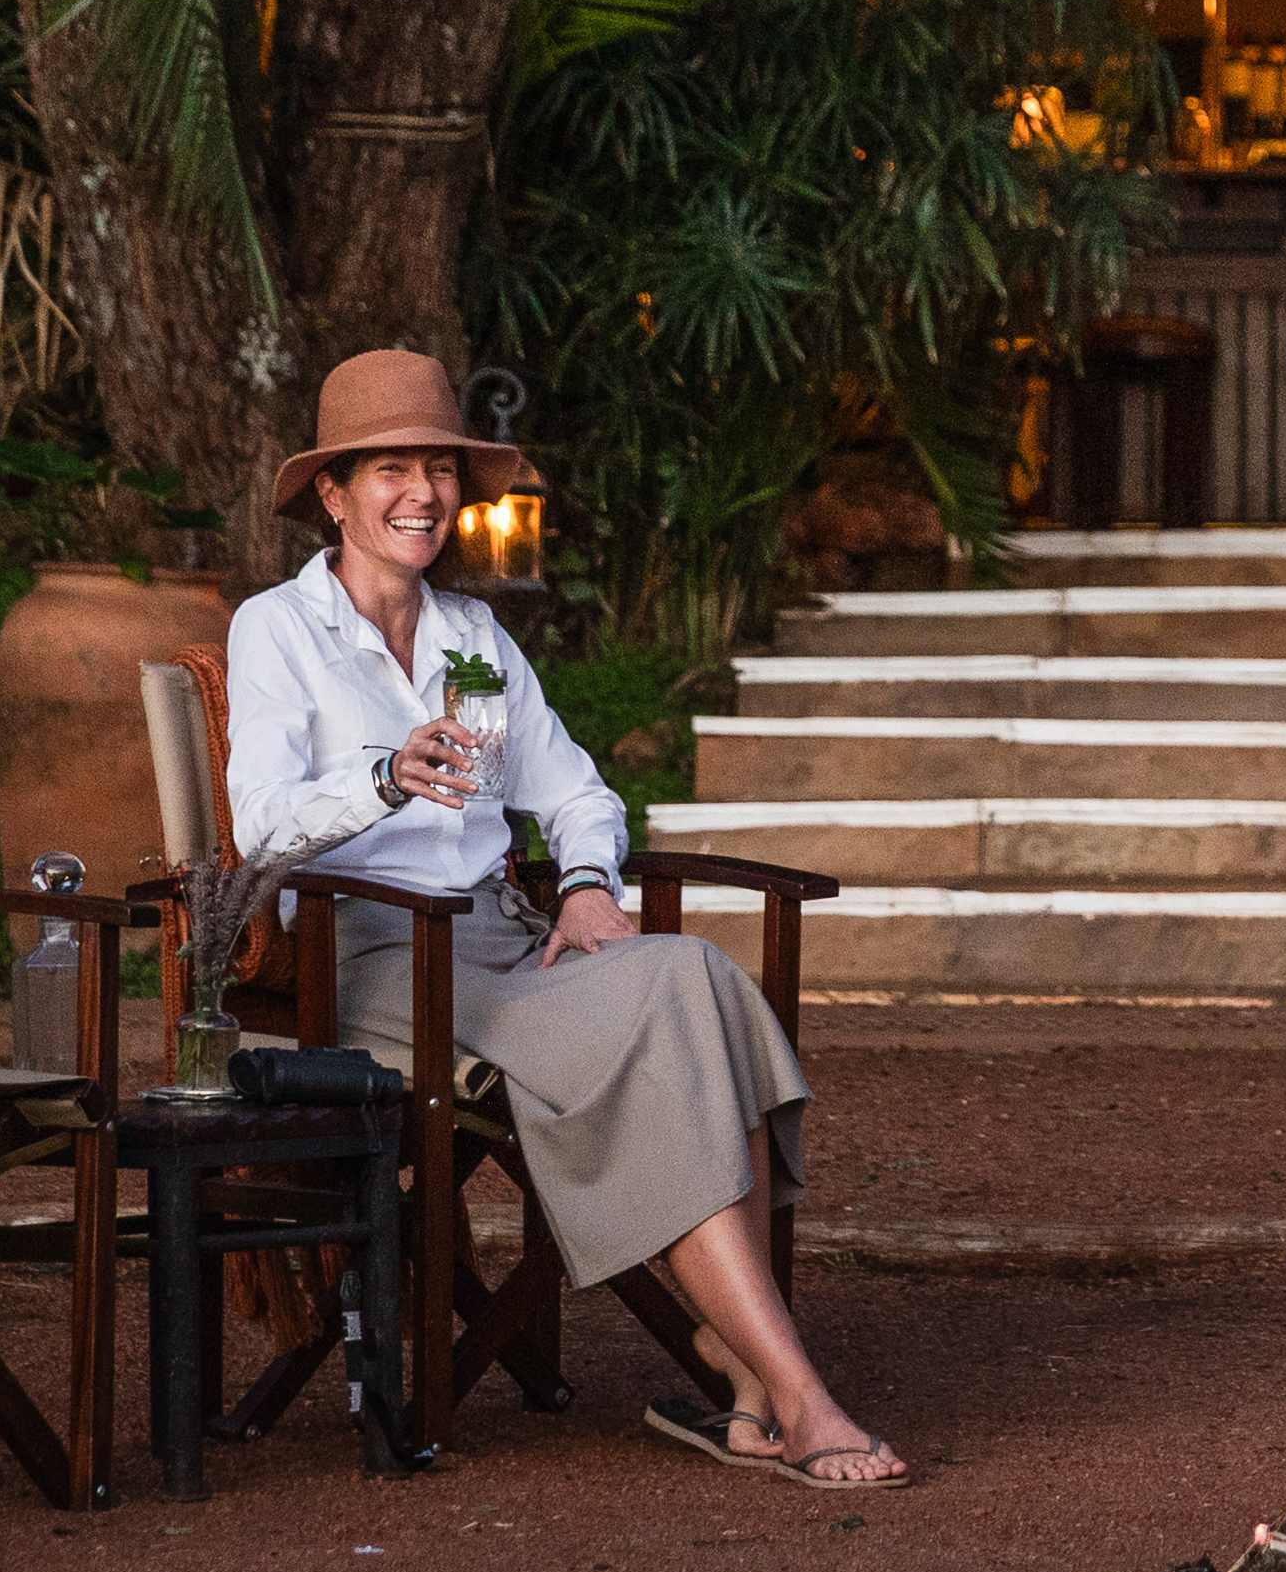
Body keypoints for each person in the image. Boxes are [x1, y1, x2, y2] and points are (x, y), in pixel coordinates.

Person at [222, 348, 903, 1488]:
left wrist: (586, 882)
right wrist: (385, 778)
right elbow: (261, 832)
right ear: (334, 496)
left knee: (694, 979)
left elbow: (578, 791)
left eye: (438, 467)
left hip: (494, 934)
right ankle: (795, 1394)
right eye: (389, 468)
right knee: (664, 1005)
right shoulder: (277, 633)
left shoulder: (473, 638)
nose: (422, 494)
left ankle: (737, 1372)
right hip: (371, 953)